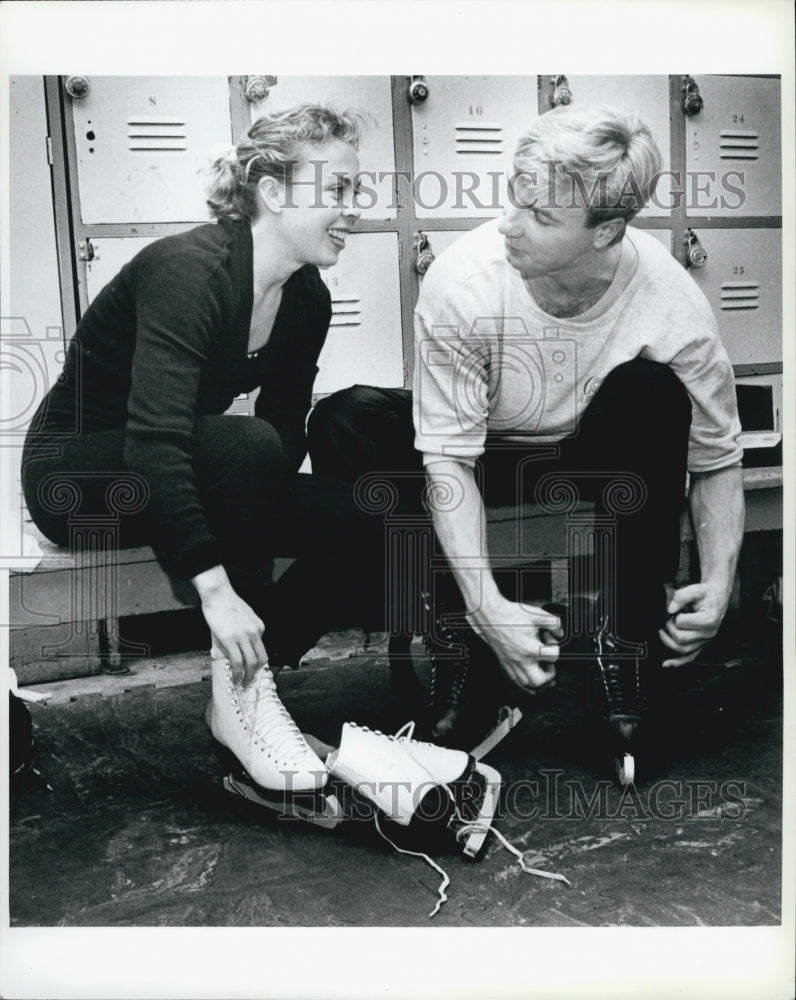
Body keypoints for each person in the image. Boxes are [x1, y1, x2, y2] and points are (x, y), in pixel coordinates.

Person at [308, 105, 745, 778]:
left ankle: (623, 648)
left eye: (541, 218)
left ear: (608, 232)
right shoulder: (466, 282)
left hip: (586, 455)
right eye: (517, 199)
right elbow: (449, 459)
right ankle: (466, 642)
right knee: (343, 420)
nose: (509, 225)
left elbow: (716, 460)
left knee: (653, 392)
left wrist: (718, 582)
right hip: (486, 452)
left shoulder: (669, 297)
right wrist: (486, 605)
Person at [22, 104, 384, 795]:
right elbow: (158, 440)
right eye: (337, 189)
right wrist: (216, 592)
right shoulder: (188, 272)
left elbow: (283, 433)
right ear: (275, 193)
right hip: (78, 476)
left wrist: (246, 502)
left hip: (180, 467)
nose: (354, 208)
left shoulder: (306, 298)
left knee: (376, 512)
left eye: (356, 191)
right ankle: (243, 701)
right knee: (241, 444)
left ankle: (249, 678)